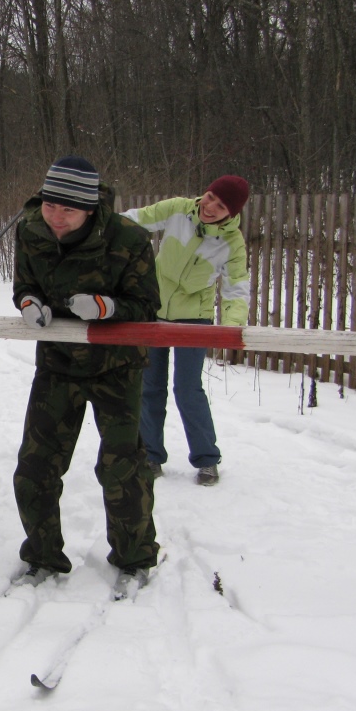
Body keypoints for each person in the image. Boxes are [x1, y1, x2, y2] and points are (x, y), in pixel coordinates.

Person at [11, 155, 161, 599]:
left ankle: (134, 557)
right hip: (57, 365)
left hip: (116, 367)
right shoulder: (30, 229)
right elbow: (24, 283)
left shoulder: (128, 238)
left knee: (121, 469)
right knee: (35, 468)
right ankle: (42, 555)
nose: (56, 217)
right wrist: (28, 304)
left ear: (91, 208)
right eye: (50, 205)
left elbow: (146, 307)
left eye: (68, 210)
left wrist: (107, 309)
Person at [122, 175, 250, 486]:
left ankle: (207, 460)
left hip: (195, 320)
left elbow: (236, 290)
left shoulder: (232, 244)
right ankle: (150, 456)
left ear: (231, 213)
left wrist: (230, 330)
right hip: (154, 311)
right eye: (210, 197)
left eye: (220, 206)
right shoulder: (179, 209)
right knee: (150, 387)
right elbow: (136, 220)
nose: (210, 207)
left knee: (187, 388)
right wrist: (96, 220)